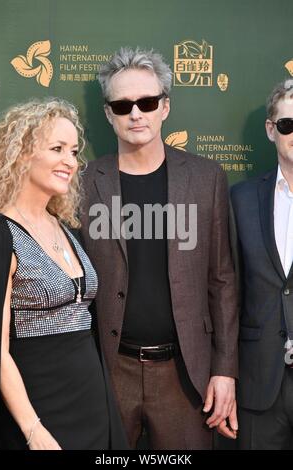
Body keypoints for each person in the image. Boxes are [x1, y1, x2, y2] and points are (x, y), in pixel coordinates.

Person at [80, 47, 238, 449]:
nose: (136, 113)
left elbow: (222, 281)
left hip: (186, 374)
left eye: (147, 102)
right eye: (123, 104)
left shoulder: (206, 178)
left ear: (164, 107)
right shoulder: (82, 184)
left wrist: (224, 370)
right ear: (108, 114)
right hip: (109, 373)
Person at [0, 97, 128, 450]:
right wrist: (33, 430)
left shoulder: (66, 227)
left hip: (93, 404)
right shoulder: (0, 234)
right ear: (22, 154)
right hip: (39, 409)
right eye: (57, 149)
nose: (70, 161)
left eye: (73, 151)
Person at [230, 78, 293, 449]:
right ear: (271, 130)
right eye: (288, 125)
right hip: (258, 387)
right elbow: (227, 292)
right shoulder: (240, 199)